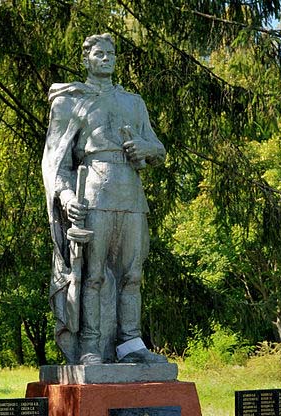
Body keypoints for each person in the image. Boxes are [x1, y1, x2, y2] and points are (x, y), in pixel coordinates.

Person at [42, 33, 167, 366]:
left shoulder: (133, 102)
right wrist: (66, 195)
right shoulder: (69, 101)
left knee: (133, 274)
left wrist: (146, 148)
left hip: (131, 196)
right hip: (92, 193)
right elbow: (58, 161)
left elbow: (159, 150)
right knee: (93, 275)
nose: (106, 58)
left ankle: (130, 343)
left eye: (111, 53)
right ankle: (91, 346)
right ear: (86, 59)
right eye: (99, 53)